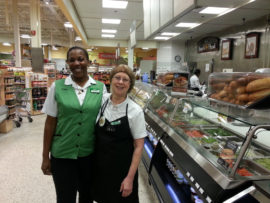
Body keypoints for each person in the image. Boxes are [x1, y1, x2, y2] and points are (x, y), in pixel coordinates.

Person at [41, 46, 107, 203]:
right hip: (62, 153)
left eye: (81, 59)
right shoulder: (57, 87)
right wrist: (45, 156)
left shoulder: (100, 87)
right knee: (65, 197)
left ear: (88, 62)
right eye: (72, 60)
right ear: (67, 63)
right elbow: (50, 123)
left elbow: (105, 121)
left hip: (89, 154)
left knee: (87, 196)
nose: (77, 63)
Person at [93, 64, 147, 203]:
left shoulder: (135, 111)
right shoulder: (101, 101)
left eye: (125, 80)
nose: (120, 82)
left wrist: (129, 178)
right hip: (100, 169)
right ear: (111, 80)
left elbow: (139, 147)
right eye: (117, 78)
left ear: (130, 85)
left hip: (123, 171)